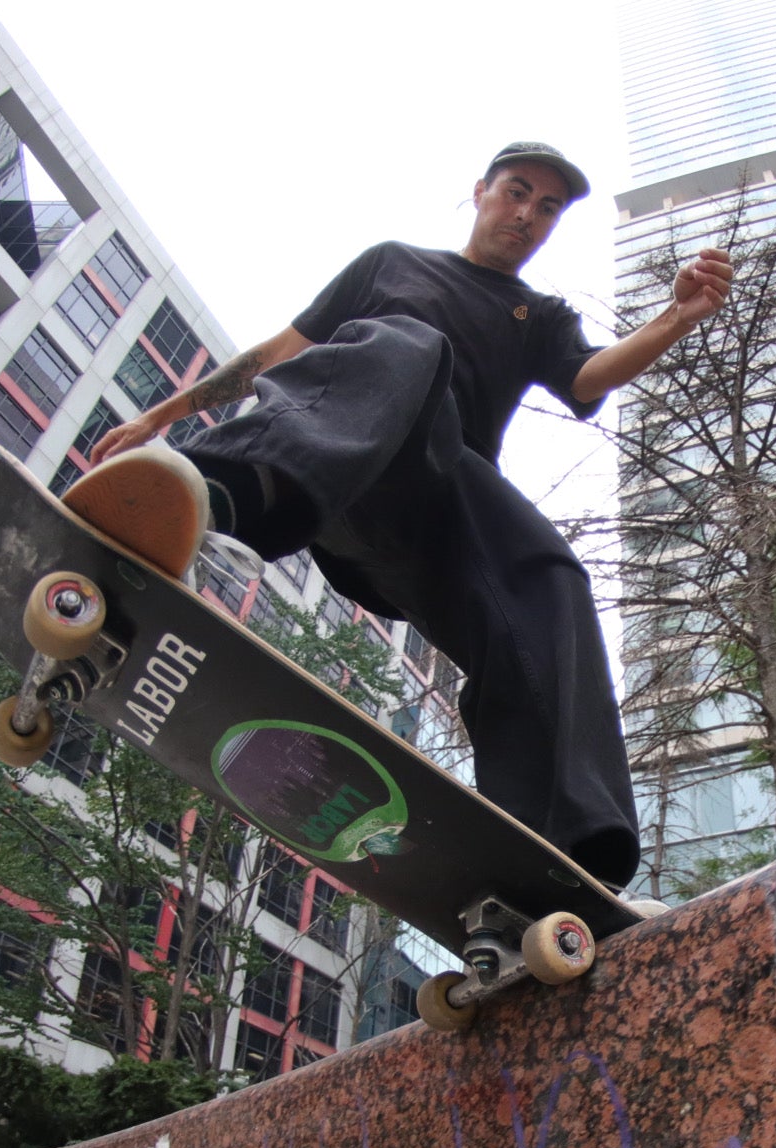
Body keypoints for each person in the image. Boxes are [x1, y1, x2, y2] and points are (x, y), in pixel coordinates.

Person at [69, 141, 733, 895]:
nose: (527, 214)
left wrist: (677, 318)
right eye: (517, 192)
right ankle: (224, 495)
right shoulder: (392, 264)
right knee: (409, 343)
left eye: (547, 208)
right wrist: (162, 417)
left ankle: (562, 849)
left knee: (552, 579)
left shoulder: (538, 315)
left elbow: (586, 378)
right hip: (342, 468)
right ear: (480, 191)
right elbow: (277, 355)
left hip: (444, 511)